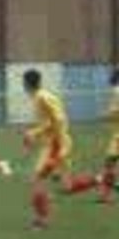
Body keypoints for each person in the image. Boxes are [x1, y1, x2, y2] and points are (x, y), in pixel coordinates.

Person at [21, 69, 100, 228]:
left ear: (26, 83)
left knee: (37, 180)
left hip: (56, 145)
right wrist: (35, 133)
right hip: (56, 144)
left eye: (23, 82)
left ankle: (41, 220)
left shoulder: (42, 97)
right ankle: (99, 179)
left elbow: (59, 118)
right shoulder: (40, 97)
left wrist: (44, 136)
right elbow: (52, 121)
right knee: (67, 186)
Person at [97, 68, 119, 204]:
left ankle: (105, 195)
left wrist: (105, 115)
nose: (109, 78)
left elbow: (116, 111)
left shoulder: (117, 91)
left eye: (112, 76)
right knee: (110, 162)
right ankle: (106, 195)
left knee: (109, 163)